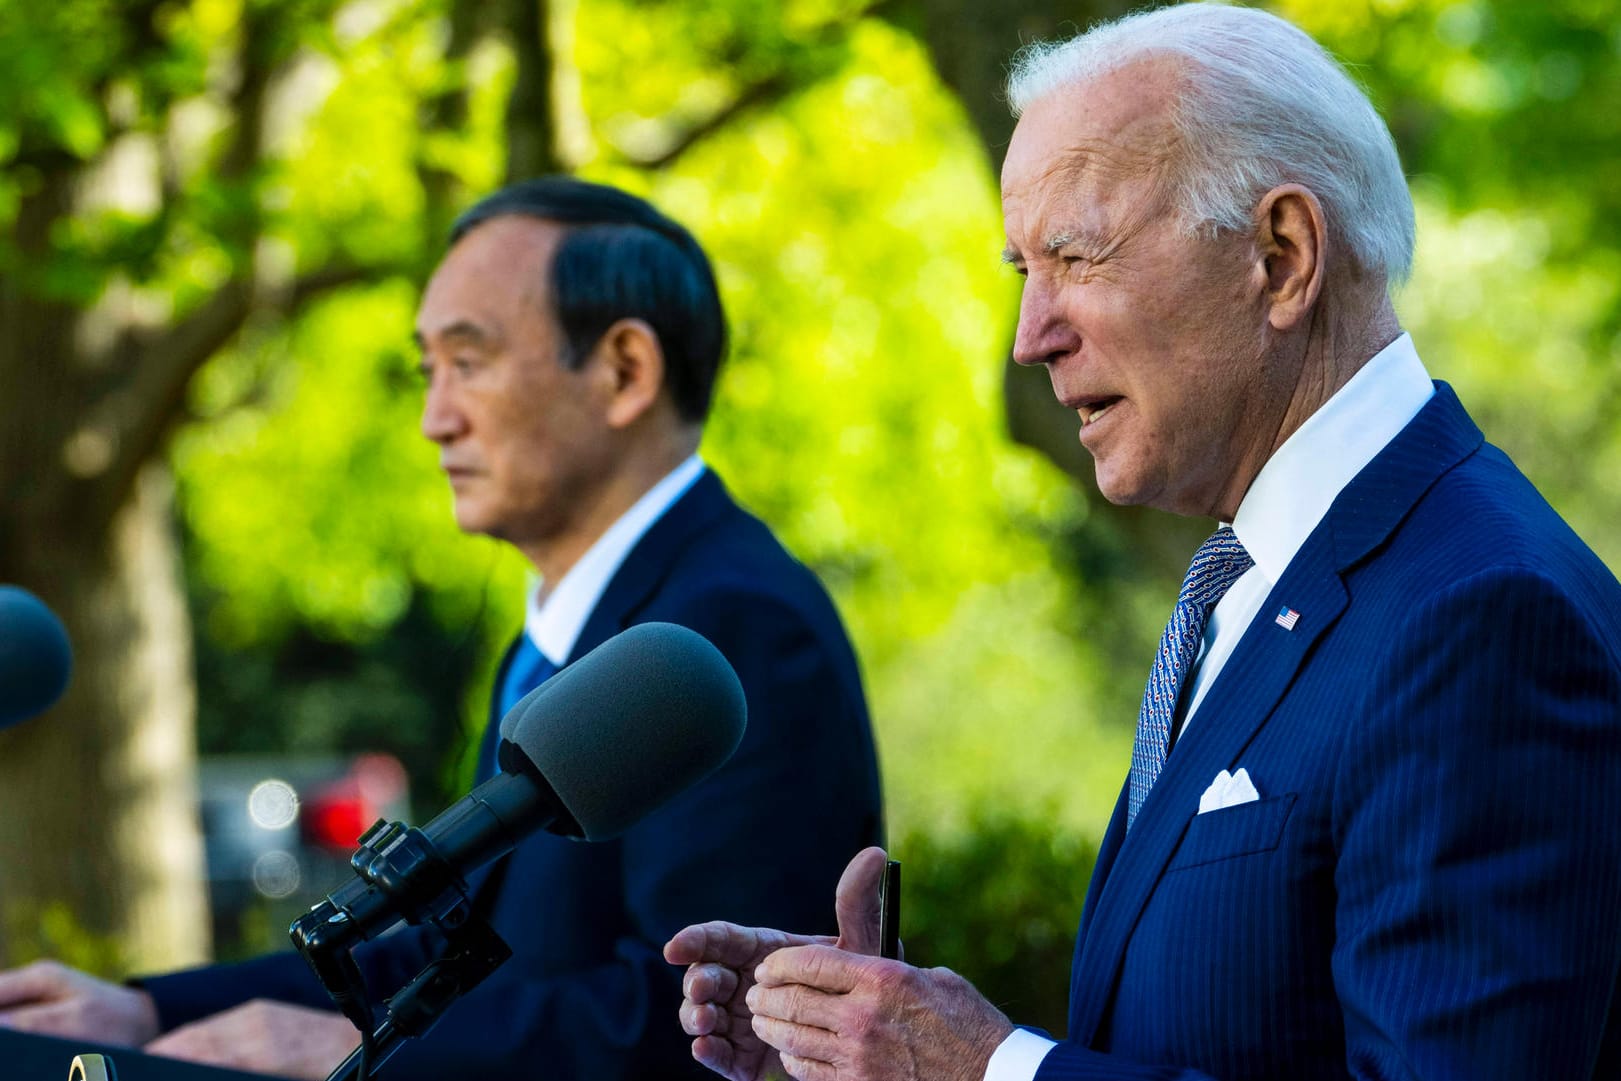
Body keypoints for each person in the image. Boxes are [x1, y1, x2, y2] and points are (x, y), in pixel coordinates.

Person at [665, 5, 1621, 1080]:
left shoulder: (1480, 614)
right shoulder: (1258, 578)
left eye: (1074, 255)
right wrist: (879, 1031)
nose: (1030, 336)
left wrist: (989, 1068)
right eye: (1020, 269)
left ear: (1281, 255)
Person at [0, 178, 884, 1080]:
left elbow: (707, 1030)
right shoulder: (563, 636)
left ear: (624, 371)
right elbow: (444, 959)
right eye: (429, 370)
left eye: (470, 362)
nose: (434, 418)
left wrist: (343, 1051)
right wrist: (147, 1009)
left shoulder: (722, 637)